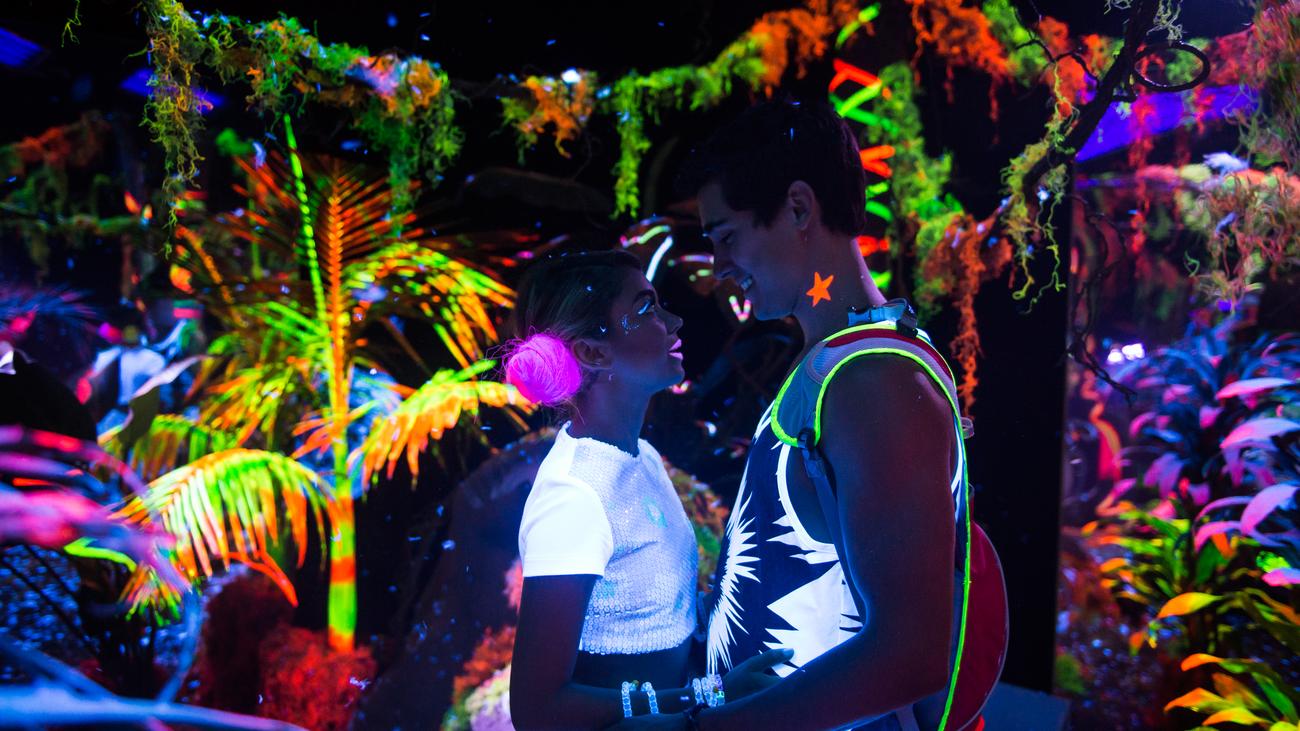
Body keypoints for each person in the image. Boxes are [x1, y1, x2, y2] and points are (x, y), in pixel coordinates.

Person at [614, 98, 975, 730]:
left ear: (800, 208)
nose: (720, 268)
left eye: (728, 237)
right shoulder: (839, 368)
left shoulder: (874, 382)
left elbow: (910, 656)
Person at [506, 250, 789, 730]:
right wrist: (709, 694)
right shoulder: (573, 497)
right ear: (593, 352)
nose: (674, 321)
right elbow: (537, 710)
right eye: (646, 308)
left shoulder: (644, 458)